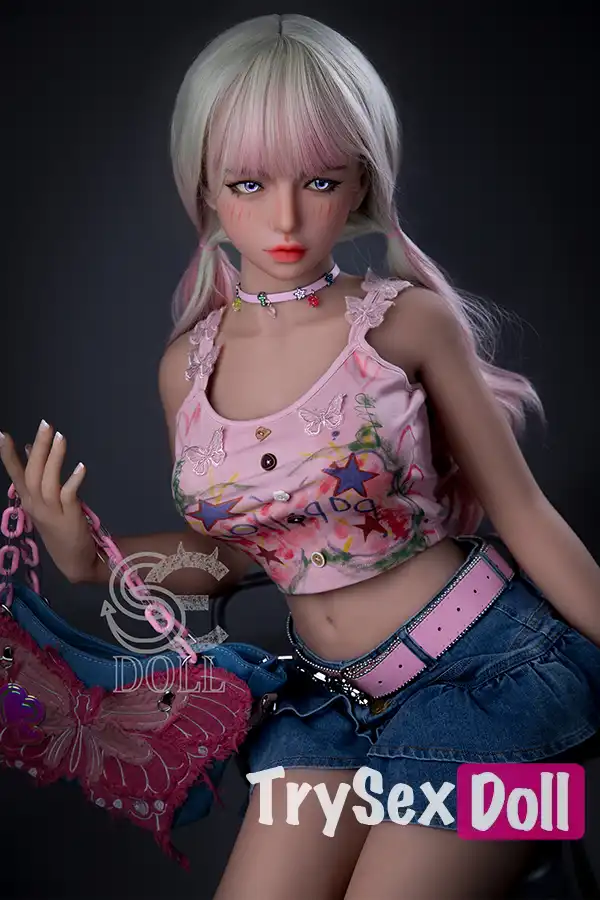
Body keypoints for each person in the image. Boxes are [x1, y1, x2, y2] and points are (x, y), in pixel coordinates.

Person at [1, 13, 600, 900]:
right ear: (205, 186)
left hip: (497, 679)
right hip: (330, 706)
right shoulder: (186, 366)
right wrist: (93, 560)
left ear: (360, 179)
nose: (285, 217)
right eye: (248, 183)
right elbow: (249, 555)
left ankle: (546, 830)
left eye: (319, 180)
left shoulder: (406, 323)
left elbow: (526, 513)